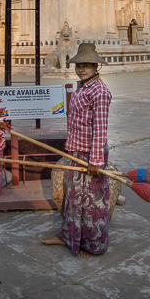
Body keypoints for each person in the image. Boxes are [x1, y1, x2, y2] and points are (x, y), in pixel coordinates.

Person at [40, 42, 112, 256]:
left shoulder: (99, 91)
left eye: (87, 65)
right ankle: (69, 235)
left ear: (96, 67)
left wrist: (96, 161)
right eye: (78, 65)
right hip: (76, 150)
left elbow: (100, 129)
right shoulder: (83, 87)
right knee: (74, 199)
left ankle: (92, 244)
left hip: (90, 155)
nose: (81, 69)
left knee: (93, 203)